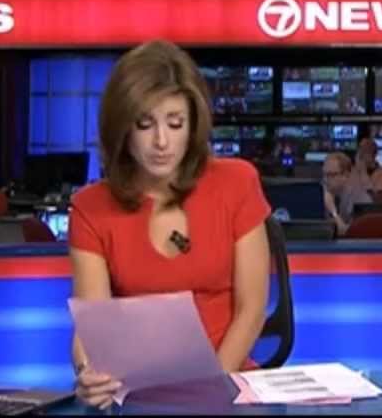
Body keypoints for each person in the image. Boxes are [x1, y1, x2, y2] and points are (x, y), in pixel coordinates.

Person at [68, 40, 272, 410]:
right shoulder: (90, 208)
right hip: (140, 396)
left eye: (175, 123)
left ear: (192, 125)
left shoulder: (237, 183)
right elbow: (92, 326)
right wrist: (87, 372)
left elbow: (252, 308)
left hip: (228, 386)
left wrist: (212, 388)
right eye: (144, 125)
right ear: (122, 130)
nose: (161, 141)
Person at [322, 151, 369, 235]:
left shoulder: (359, 198)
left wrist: (333, 211)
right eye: (324, 175)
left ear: (346, 175)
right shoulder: (324, 194)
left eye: (331, 175)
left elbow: (349, 233)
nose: (325, 180)